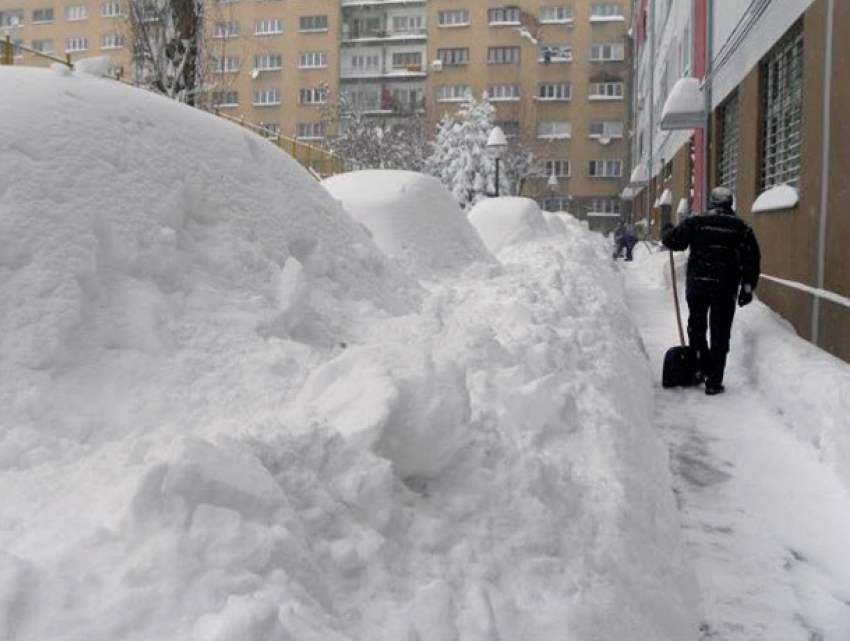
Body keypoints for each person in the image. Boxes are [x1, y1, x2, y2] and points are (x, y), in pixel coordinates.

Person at [661, 186, 761, 395]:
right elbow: (751, 259)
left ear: (712, 203)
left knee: (697, 327)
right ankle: (714, 381)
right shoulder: (741, 227)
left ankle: (700, 367)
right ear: (729, 203)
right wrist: (747, 287)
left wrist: (667, 229)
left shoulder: (696, 222)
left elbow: (673, 241)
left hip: (698, 286)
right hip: (725, 288)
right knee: (720, 332)